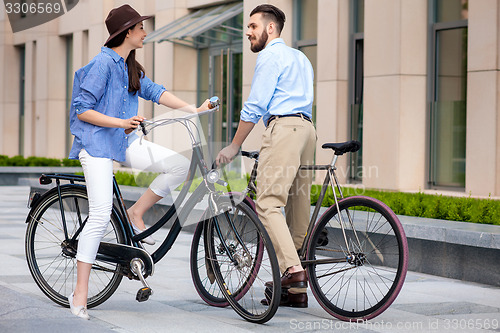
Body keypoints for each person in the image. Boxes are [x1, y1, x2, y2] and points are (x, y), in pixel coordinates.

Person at [67, 4, 210, 319]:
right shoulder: (102, 64)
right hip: (96, 146)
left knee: (180, 166)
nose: (145, 32)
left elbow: (156, 92)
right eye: (141, 27)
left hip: (126, 142)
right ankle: (80, 293)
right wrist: (121, 123)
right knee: (101, 215)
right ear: (127, 32)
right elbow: (81, 109)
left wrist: (194, 109)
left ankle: (136, 211)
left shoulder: (131, 67)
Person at [216, 4, 316, 308]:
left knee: (268, 203)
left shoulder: (270, 56)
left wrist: (234, 145)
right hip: (307, 130)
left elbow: (256, 105)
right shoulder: (301, 58)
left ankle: (292, 271)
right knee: (298, 206)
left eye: (252, 27)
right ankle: (295, 293)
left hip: (284, 128)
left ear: (270, 28)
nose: (248, 32)